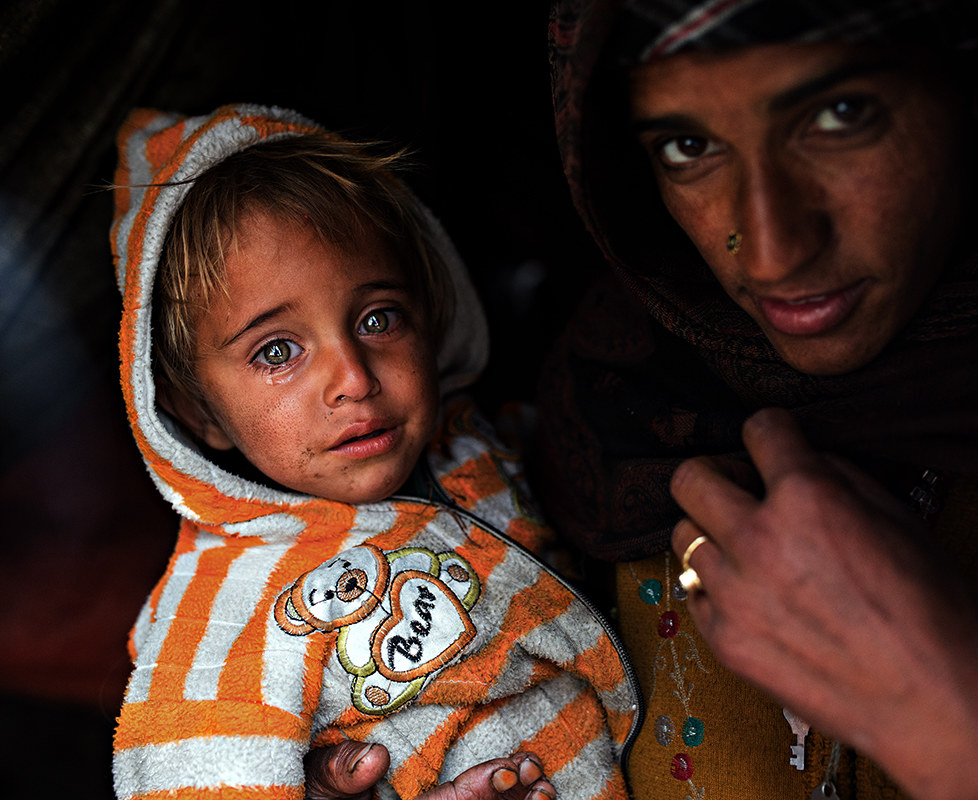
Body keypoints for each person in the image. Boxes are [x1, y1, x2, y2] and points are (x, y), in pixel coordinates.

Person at [529, 0, 978, 798]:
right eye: (689, 146)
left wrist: (950, 714)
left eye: (840, 117)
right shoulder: (599, 416)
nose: (772, 252)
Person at [108, 103, 638, 800]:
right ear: (194, 411)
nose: (355, 378)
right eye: (277, 351)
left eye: (377, 319)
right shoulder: (221, 610)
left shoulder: (475, 442)